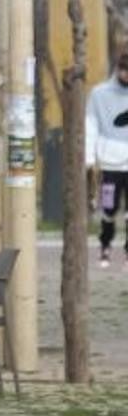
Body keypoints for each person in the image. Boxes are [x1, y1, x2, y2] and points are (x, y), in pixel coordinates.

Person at [87, 51, 128, 269]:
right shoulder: (99, 94)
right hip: (110, 162)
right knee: (109, 209)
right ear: (119, 70)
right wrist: (89, 158)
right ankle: (105, 247)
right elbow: (91, 126)